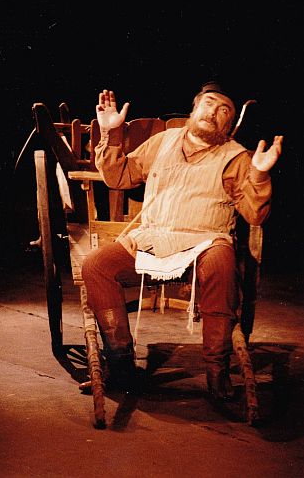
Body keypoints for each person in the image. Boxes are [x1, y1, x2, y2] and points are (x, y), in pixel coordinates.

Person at [81, 81, 282, 399]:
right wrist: (112, 134)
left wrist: (257, 174)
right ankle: (120, 366)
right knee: (95, 266)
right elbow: (119, 176)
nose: (213, 112)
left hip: (205, 243)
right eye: (209, 103)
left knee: (222, 259)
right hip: (153, 238)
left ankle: (217, 372)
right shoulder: (163, 142)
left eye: (223, 110)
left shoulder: (235, 157)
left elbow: (255, 215)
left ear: (229, 125)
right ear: (194, 107)